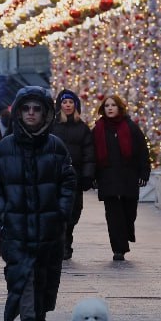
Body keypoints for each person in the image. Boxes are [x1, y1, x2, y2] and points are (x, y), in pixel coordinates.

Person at [0, 86, 77, 321]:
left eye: (37, 109)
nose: (31, 113)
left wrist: (61, 211)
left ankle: (39, 319)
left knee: (45, 278)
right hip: (16, 228)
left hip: (49, 229)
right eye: (26, 108)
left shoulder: (56, 146)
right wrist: (2, 211)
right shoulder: (4, 148)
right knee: (22, 276)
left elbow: (68, 182)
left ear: (46, 112)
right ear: (18, 112)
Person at [90, 94, 151, 262]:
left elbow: (142, 151)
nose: (110, 108)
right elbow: (92, 155)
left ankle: (126, 233)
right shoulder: (98, 129)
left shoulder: (131, 127)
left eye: (113, 105)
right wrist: (92, 176)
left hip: (128, 177)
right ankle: (118, 248)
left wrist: (144, 173)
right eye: (107, 105)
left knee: (129, 213)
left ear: (119, 108)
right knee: (113, 215)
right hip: (107, 177)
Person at [52, 89, 96, 260]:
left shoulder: (83, 128)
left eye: (71, 102)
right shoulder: (53, 126)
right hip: (55, 177)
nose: (68, 105)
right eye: (64, 102)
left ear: (75, 105)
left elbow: (89, 154)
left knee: (74, 211)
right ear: (60, 105)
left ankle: (67, 240)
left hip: (75, 177)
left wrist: (87, 176)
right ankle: (60, 245)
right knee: (56, 211)